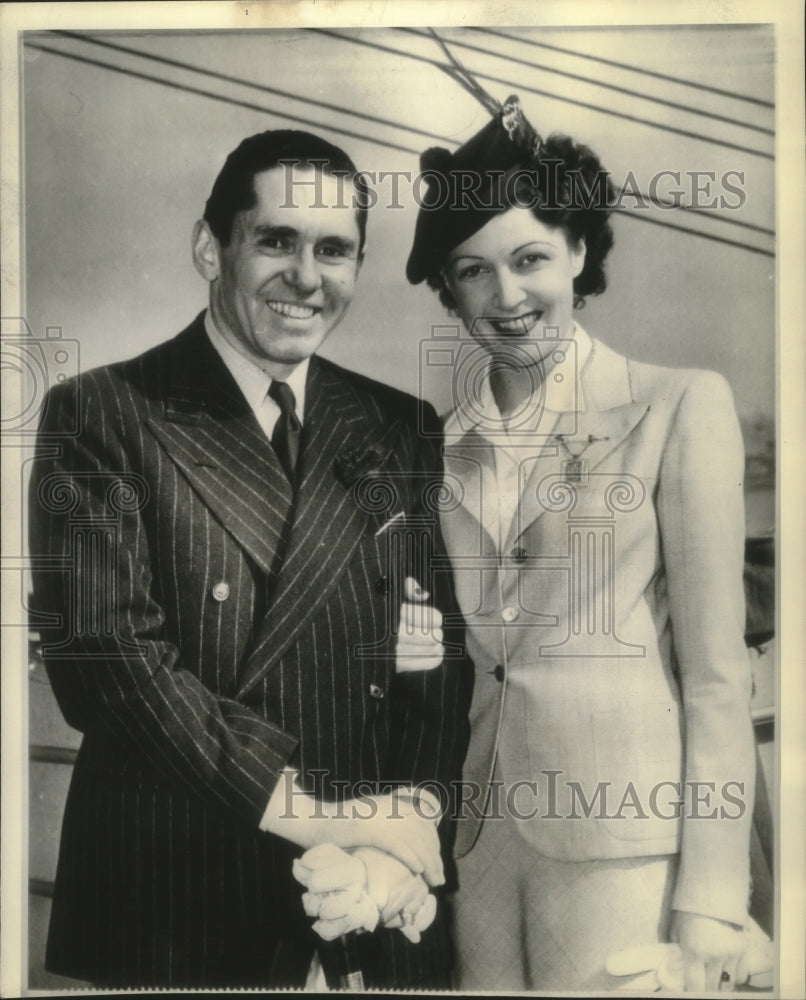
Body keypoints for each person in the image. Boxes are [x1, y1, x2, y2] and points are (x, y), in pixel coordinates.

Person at [29, 129, 472, 989]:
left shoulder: (398, 425)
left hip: (363, 902)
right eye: (277, 240)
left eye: (334, 250)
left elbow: (438, 668)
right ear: (211, 247)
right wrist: (312, 815)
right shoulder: (105, 411)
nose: (307, 277)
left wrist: (407, 836)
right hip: (179, 897)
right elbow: (108, 664)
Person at [406, 94, 756, 992]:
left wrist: (711, 899)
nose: (506, 296)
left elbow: (717, 677)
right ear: (450, 289)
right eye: (474, 271)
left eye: (529, 259)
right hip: (478, 843)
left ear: (580, 250)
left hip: (628, 845)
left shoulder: (679, 405)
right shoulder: (436, 446)